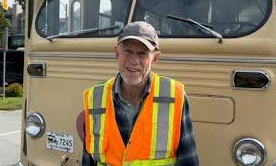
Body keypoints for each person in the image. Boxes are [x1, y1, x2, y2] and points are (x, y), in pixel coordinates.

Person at [82, 21, 199, 166]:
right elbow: (88, 161)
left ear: (155, 59)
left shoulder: (174, 97)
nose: (133, 61)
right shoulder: (95, 98)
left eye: (142, 54)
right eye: (128, 51)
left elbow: (189, 161)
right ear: (117, 53)